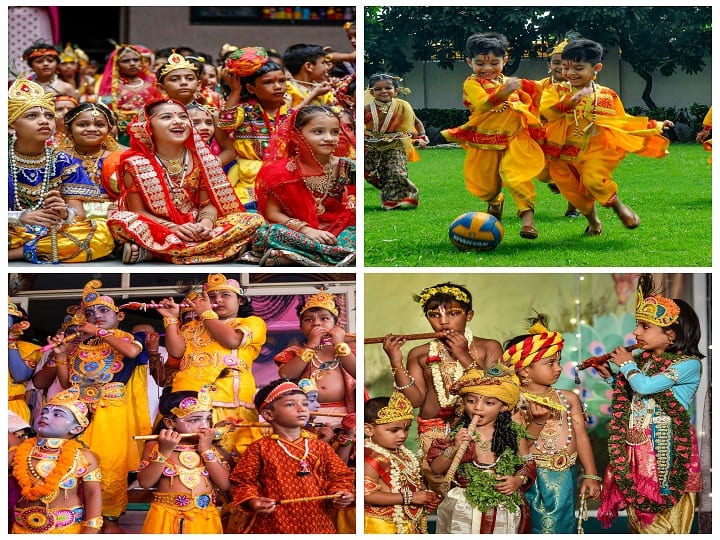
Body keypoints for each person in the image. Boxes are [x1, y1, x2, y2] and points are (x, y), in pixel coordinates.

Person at [596, 274, 703, 533]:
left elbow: (644, 387)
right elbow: (638, 400)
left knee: (666, 524)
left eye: (645, 326)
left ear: (672, 336)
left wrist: (626, 364)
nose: (635, 332)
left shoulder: (688, 364)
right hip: (638, 448)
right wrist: (612, 378)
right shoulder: (646, 361)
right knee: (639, 519)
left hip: (666, 448)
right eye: (637, 325)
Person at [540, 39, 674, 236]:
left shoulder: (607, 95)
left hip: (597, 150)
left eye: (579, 68)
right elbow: (547, 112)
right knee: (575, 195)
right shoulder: (555, 91)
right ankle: (594, 222)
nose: (570, 73)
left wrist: (655, 125)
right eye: (566, 68)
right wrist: (569, 102)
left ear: (597, 68)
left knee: (594, 180)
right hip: (562, 153)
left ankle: (619, 208)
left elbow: (622, 121)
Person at [106, 97, 263, 264]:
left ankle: (157, 251)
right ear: (148, 126)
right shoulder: (135, 163)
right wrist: (174, 227)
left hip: (195, 224)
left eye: (183, 117)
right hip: (158, 226)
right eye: (166, 117)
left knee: (253, 220)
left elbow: (206, 204)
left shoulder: (202, 159)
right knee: (123, 222)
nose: (178, 122)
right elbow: (138, 212)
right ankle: (219, 249)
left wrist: (205, 225)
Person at [48, 280, 150, 533]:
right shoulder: (78, 346)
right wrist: (60, 357)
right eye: (91, 313)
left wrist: (99, 332)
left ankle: (109, 520)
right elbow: (65, 382)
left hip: (110, 410)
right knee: (73, 462)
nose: (96, 316)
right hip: (76, 410)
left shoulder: (130, 337)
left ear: (120, 315)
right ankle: (74, 515)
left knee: (109, 465)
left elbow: (131, 353)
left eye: (103, 311)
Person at [385, 283, 503, 493]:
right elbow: (416, 400)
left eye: (453, 313)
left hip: (474, 426)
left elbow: (495, 389)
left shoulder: (488, 347)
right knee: (439, 490)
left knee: (472, 487)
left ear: (469, 315)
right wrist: (396, 362)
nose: (444, 321)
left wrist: (463, 355)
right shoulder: (419, 353)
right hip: (432, 430)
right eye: (434, 315)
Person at [503, 315, 602, 533]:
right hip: (531, 479)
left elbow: (581, 437)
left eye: (558, 361)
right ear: (523, 370)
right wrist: (537, 422)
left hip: (565, 477)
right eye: (550, 363)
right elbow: (519, 449)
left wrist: (591, 474)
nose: (558, 368)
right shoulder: (514, 402)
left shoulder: (568, 398)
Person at [441, 32, 545, 239]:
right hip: (485, 141)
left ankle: (528, 221)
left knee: (517, 177)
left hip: (516, 139)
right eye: (480, 63)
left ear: (504, 60)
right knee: (486, 188)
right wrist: (504, 92)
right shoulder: (472, 83)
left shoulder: (512, 82)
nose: (487, 69)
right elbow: (483, 104)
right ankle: (495, 200)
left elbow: (538, 91)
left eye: (494, 63)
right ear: (469, 61)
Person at [157, 273, 267, 456]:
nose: (218, 300)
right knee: (186, 455)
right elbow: (176, 352)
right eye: (212, 296)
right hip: (188, 402)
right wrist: (170, 319)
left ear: (240, 301)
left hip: (229, 402)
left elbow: (232, 340)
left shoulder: (252, 322)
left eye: (226, 295)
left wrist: (207, 314)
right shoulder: (191, 326)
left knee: (231, 454)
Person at [8, 77, 115, 263]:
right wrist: (21, 217)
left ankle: (20, 252)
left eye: (49, 116)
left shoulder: (61, 160)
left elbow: (78, 214)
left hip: (46, 230)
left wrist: (64, 213)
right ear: (11, 124)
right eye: (32, 116)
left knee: (102, 235)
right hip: (9, 227)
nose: (44, 121)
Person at [230, 379, 355, 533]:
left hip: (318, 523)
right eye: (290, 404)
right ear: (268, 414)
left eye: (304, 404)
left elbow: (340, 476)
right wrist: (253, 501)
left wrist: (341, 493)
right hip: (274, 523)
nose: (301, 409)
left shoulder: (320, 446)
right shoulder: (259, 448)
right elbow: (242, 482)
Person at [427, 366, 536, 533]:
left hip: (503, 507)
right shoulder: (458, 434)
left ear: (504, 407)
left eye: (489, 403)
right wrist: (455, 447)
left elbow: (527, 463)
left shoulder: (514, 433)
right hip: (463, 506)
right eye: (471, 401)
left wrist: (518, 480)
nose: (477, 408)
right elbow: (436, 468)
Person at [244, 105, 356, 266]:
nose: (329, 138)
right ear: (296, 135)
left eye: (335, 132)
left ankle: (288, 257)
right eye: (318, 132)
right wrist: (307, 230)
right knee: (268, 233)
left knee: (358, 235)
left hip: (339, 229)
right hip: (301, 232)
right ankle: (334, 257)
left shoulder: (347, 167)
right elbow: (272, 213)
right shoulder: (281, 172)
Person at [10, 386, 103, 534]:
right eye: (44, 412)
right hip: (23, 530)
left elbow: (92, 493)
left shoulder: (83, 456)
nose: (46, 416)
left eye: (57, 414)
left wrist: (91, 528)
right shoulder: (20, 452)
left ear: (76, 429)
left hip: (66, 530)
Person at [137, 386, 231, 533]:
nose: (204, 426)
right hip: (165, 518)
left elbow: (225, 485)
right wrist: (165, 451)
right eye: (194, 420)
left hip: (204, 519)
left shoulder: (211, 447)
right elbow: (145, 483)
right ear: (170, 423)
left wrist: (206, 450)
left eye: (208, 419)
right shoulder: (155, 445)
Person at [218, 46, 293, 209]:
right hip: (249, 180)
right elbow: (225, 122)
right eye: (268, 82)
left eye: (281, 81)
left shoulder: (293, 115)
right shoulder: (245, 111)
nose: (278, 86)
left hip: (284, 178)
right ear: (251, 88)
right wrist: (235, 91)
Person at [275, 291, 356, 428]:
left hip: (343, 415)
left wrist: (339, 344)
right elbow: (286, 375)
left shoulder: (345, 349)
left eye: (324, 318)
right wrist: (311, 346)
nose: (316, 324)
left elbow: (357, 373)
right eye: (308, 320)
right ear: (301, 328)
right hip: (307, 415)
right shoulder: (295, 352)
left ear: (336, 325)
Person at [364, 391, 441, 533]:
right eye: (394, 430)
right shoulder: (369, 456)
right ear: (369, 429)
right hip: (380, 526)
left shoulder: (402, 452)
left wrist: (427, 497)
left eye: (406, 429)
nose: (402, 435)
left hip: (407, 524)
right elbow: (366, 495)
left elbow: (414, 482)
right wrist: (411, 498)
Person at [364, 73, 428, 210]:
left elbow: (416, 123)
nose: (383, 91)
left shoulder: (403, 106)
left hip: (396, 144)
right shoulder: (366, 109)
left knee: (396, 171)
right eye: (378, 89)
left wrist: (421, 137)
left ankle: (407, 198)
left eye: (388, 88)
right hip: (372, 146)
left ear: (396, 91)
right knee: (371, 175)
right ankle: (394, 197)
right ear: (371, 92)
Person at [537, 37, 580, 217]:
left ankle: (573, 208)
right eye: (556, 62)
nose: (560, 67)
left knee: (574, 171)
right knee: (542, 173)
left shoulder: (580, 85)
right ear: (549, 64)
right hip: (545, 137)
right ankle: (556, 181)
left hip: (572, 136)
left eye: (566, 63)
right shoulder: (541, 86)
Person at [62, 102, 124, 222]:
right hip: (71, 215)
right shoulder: (59, 158)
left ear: (109, 129)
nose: (92, 129)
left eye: (99, 125)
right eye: (83, 124)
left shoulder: (119, 158)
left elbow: (129, 194)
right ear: (69, 130)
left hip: (114, 214)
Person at [97, 44, 162, 145]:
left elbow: (160, 106)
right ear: (116, 64)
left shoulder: (152, 83)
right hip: (122, 133)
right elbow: (103, 107)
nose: (132, 64)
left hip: (150, 132)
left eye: (136, 60)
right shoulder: (112, 86)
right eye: (125, 61)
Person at [8, 301, 41, 423]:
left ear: (22, 324)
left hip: (12, 406)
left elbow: (20, 376)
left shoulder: (30, 348)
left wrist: (9, 341)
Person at [283, 43, 336, 108]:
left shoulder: (320, 87)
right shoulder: (287, 88)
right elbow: (286, 116)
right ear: (308, 66)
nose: (327, 67)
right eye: (323, 63)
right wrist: (313, 94)